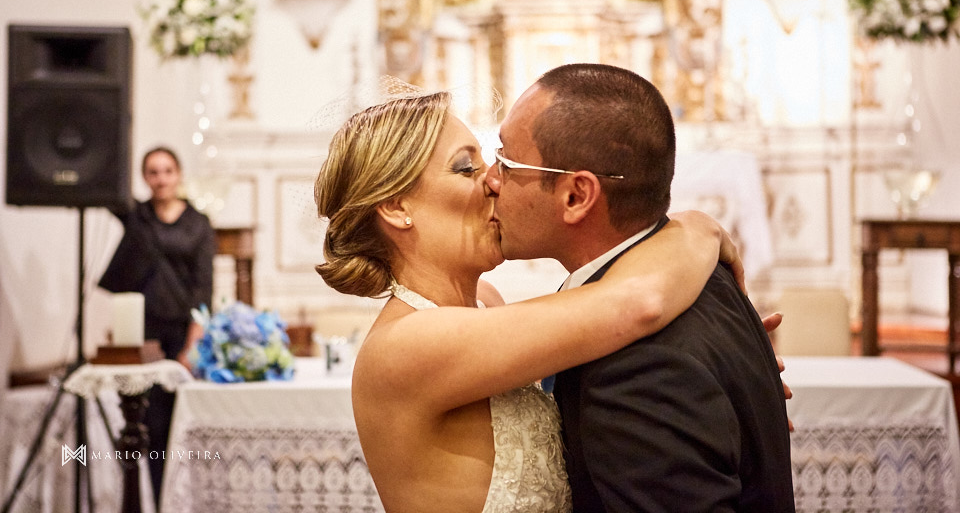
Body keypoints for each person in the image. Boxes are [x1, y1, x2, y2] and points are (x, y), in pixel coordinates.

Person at [314, 89, 758, 513]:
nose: (493, 180)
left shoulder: (485, 302)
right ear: (396, 208)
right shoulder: (405, 346)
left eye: (489, 161)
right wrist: (696, 228)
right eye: (465, 168)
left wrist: (715, 380)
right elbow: (637, 303)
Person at [486, 63, 795, 512]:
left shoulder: (634, 368)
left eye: (506, 162)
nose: (490, 180)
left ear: (576, 196)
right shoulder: (706, 274)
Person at [98, 146, 215, 506]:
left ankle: (179, 501)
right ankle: (147, 501)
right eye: (153, 172)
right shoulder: (139, 217)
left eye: (167, 171)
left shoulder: (198, 223)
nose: (161, 179)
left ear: (178, 175)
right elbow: (109, 186)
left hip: (181, 333)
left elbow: (204, 288)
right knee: (147, 423)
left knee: (179, 421)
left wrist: (192, 346)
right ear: (144, 178)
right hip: (143, 334)